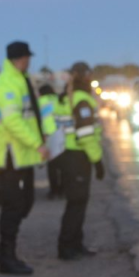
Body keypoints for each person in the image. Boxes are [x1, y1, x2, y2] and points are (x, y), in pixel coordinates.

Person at [0, 41, 49, 275]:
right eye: (26, 58)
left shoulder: (22, 79)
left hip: (23, 155)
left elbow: (34, 112)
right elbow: (12, 122)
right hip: (11, 155)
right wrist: (38, 143)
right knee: (13, 207)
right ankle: (7, 259)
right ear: (18, 59)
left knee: (26, 202)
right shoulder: (6, 83)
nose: (29, 61)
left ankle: (2, 251)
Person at [57, 62, 105, 260]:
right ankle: (67, 247)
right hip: (78, 156)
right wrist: (98, 160)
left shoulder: (65, 98)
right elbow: (85, 135)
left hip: (67, 155)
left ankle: (75, 243)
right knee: (76, 203)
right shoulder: (82, 101)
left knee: (76, 201)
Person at [38, 84, 64, 199]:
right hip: (61, 133)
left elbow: (38, 119)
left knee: (52, 165)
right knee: (62, 165)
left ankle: (54, 191)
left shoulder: (40, 101)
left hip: (47, 135)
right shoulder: (58, 99)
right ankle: (62, 190)